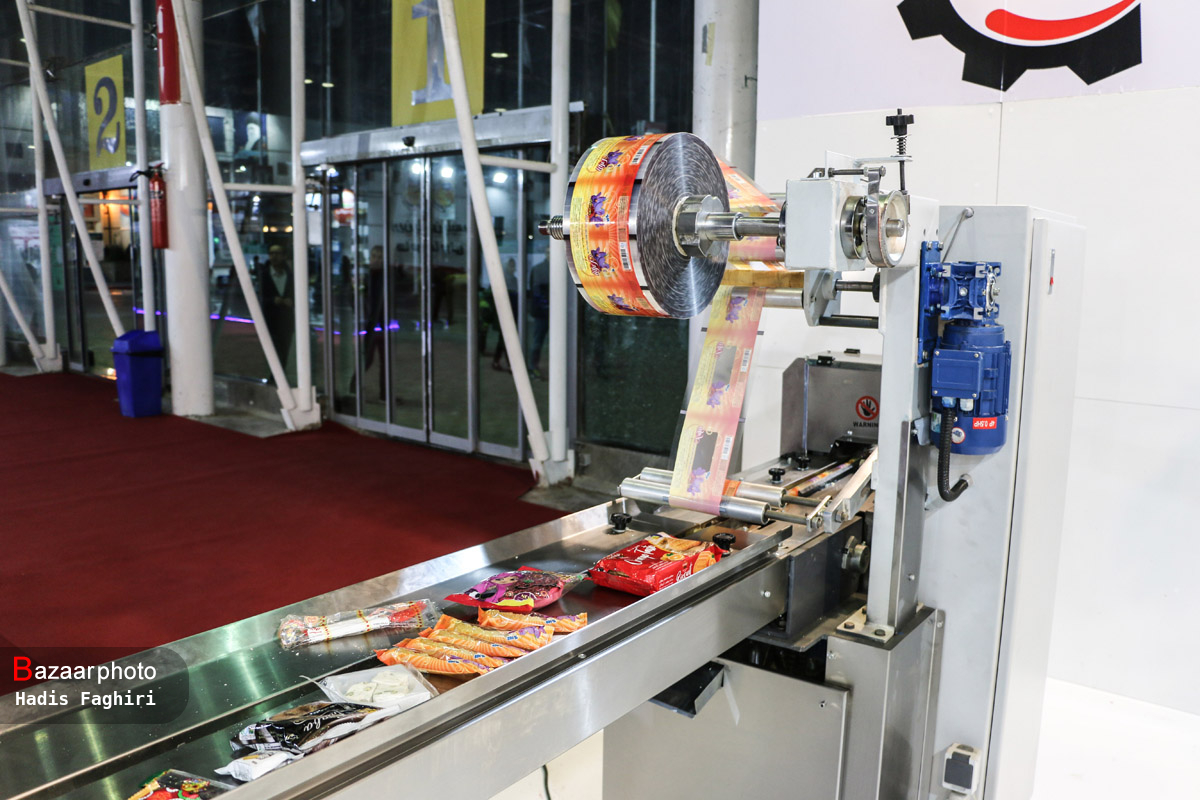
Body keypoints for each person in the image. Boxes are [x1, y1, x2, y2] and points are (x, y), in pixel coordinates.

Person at [259, 244, 293, 362]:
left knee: (285, 350)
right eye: (271, 253)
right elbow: (259, 298)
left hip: (286, 321)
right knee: (273, 352)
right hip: (270, 320)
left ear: (284, 256)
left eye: (277, 253)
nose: (274, 256)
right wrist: (272, 300)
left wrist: (291, 302)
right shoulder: (264, 275)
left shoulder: (290, 275)